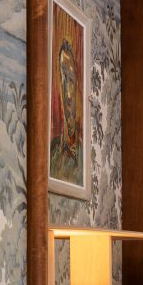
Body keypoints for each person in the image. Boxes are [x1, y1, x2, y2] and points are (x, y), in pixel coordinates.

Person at [49, 37, 84, 186]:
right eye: (63, 78)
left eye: (69, 78)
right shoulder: (53, 150)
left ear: (76, 84)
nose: (67, 92)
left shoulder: (83, 155)